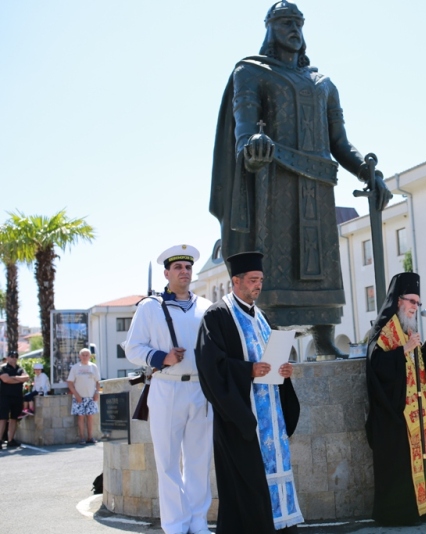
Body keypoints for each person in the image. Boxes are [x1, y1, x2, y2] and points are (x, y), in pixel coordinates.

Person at [210, 1, 392, 359]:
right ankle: (275, 343)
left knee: (321, 261)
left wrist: (368, 171)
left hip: (319, 187)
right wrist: (253, 144)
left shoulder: (324, 84)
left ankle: (324, 337)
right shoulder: (250, 72)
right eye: (285, 22)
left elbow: (339, 141)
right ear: (269, 28)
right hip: (274, 181)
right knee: (276, 263)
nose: (293, 29)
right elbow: (244, 129)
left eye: (298, 22)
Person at [197, 251, 302, 533]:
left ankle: (279, 525)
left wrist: (284, 371)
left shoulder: (262, 318)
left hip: (271, 415)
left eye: (261, 280)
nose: (258, 285)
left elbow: (270, 358)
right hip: (241, 419)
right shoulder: (217, 315)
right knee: (244, 487)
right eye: (253, 280)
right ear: (236, 281)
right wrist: (248, 371)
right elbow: (211, 367)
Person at [125, 244, 213, 534]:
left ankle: (198, 523)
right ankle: (175, 525)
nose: (184, 272)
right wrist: (161, 358)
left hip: (200, 389)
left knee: (199, 461)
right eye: (178, 267)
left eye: (188, 267)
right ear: (167, 272)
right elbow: (133, 348)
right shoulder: (151, 307)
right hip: (167, 388)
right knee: (168, 461)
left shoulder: (205, 307)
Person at [364, 272, 426, 526]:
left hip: (414, 415)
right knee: (397, 466)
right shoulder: (384, 329)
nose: (415, 307)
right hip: (394, 415)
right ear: (397, 300)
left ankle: (422, 508)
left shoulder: (407, 328)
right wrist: (405, 350)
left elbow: (418, 365)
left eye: (417, 303)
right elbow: (376, 366)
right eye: (411, 301)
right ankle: (398, 514)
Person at [66, 348, 101, 444]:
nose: (85, 357)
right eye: (83, 355)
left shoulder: (93, 367)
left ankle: (90, 437)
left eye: (87, 355)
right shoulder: (75, 367)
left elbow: (98, 381)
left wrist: (96, 392)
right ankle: (82, 438)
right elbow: (70, 382)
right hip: (79, 398)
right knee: (80, 417)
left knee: (90, 417)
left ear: (90, 356)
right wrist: (76, 395)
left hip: (91, 396)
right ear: (79, 356)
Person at [0, 351, 28, 449]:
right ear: (7, 357)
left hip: (17, 397)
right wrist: (18, 379)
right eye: (12, 356)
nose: (14, 358)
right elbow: (5, 379)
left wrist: (14, 377)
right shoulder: (3, 368)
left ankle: (11, 440)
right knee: (2, 418)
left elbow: (26, 377)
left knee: (14, 418)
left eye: (16, 356)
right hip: (4, 397)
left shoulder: (20, 368)